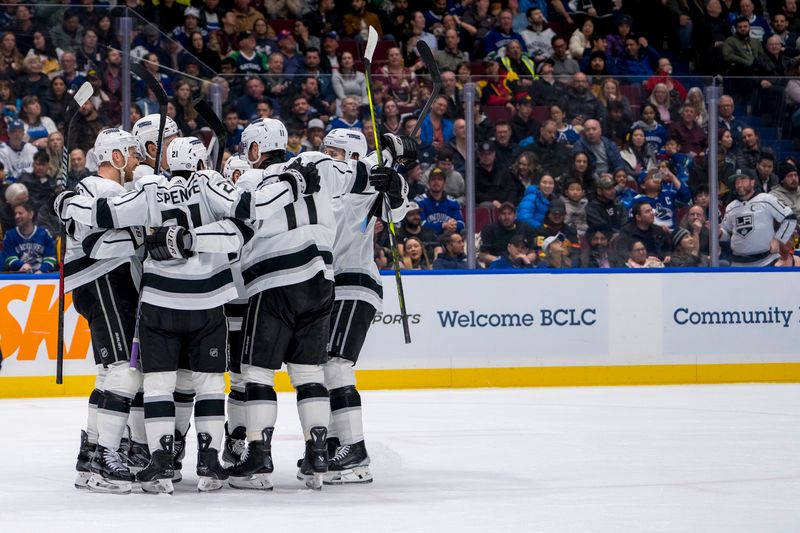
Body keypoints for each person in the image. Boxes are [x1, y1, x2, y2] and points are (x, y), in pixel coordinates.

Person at [56, 130, 303, 494]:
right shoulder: (207, 183)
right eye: (130, 152)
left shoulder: (150, 188)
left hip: (155, 299)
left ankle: (152, 458)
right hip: (201, 298)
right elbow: (242, 223)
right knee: (197, 383)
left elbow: (103, 223)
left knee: (143, 381)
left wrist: (66, 203)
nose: (137, 158)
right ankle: (197, 459)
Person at [320, 129, 411, 483]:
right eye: (326, 150)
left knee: (336, 364)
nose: (329, 156)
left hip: (355, 282)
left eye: (336, 152)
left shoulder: (365, 185)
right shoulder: (327, 189)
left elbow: (397, 209)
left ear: (354, 157)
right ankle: (332, 446)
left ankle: (354, 448)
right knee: (322, 368)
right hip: (328, 287)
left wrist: (394, 175)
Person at [721, 170, 797, 266]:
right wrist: (719, 233)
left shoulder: (766, 199)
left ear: (752, 182)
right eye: (737, 182)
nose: (739, 184)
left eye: (743, 180)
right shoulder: (731, 207)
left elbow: (790, 218)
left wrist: (778, 240)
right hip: (738, 263)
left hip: (766, 261)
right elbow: (727, 234)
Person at [1, 202, 56, 273]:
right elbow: (9, 258)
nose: (17, 216)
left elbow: (51, 258)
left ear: (30, 214)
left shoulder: (44, 234)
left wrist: (42, 271)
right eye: (15, 214)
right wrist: (21, 265)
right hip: (19, 276)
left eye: (20, 213)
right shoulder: (10, 235)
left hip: (42, 276)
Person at [415, 167, 465, 235]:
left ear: (444, 183)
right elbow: (420, 224)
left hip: (449, 236)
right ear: (428, 183)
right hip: (427, 238)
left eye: (440, 179)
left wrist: (453, 225)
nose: (436, 182)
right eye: (433, 179)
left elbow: (461, 224)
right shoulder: (419, 202)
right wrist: (443, 225)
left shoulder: (452, 202)